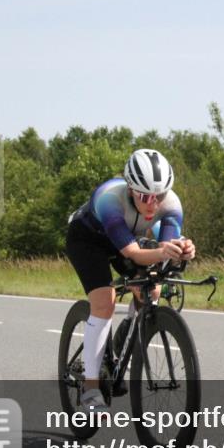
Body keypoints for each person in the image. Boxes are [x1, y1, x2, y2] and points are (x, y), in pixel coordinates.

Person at [64, 149, 196, 413]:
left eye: (158, 196)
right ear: (131, 189)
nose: (152, 204)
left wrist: (182, 250)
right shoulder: (109, 199)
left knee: (153, 290)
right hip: (88, 240)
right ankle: (91, 389)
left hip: (127, 239)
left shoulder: (171, 204)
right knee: (104, 303)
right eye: (144, 196)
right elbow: (133, 254)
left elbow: (164, 250)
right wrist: (161, 252)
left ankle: (126, 331)